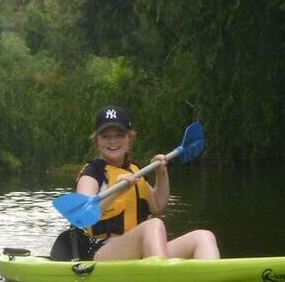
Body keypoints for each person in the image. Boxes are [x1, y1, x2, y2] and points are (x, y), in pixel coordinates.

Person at [53, 105, 220, 261]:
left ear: (129, 138)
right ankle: (162, 278)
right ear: (97, 140)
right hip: (102, 252)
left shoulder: (135, 171)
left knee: (204, 237)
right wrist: (117, 191)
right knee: (153, 225)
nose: (113, 141)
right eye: (106, 136)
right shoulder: (92, 173)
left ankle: (213, 279)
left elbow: (157, 205)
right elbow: (82, 217)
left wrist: (161, 174)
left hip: (142, 251)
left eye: (119, 135)